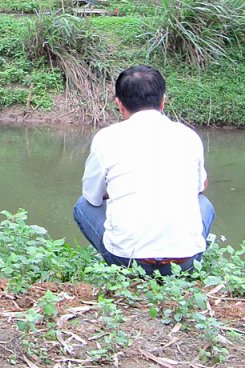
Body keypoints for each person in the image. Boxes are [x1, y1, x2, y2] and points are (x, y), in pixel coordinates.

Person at [73, 66, 215, 276]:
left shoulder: (107, 138)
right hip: (185, 261)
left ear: (119, 105)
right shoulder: (188, 136)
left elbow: (92, 197)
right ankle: (180, 268)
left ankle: (120, 269)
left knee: (82, 206)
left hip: (127, 260)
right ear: (163, 101)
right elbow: (200, 187)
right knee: (204, 204)